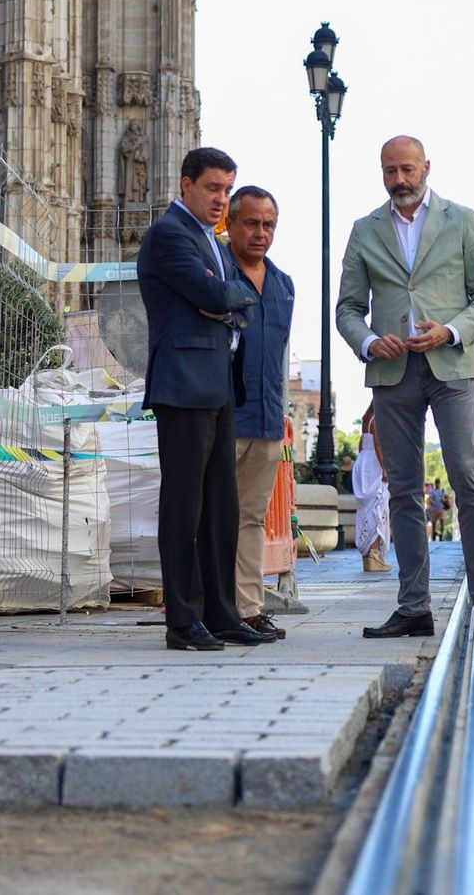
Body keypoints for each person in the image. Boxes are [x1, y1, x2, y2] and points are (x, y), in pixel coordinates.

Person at [336, 135, 474, 638]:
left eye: (407, 169)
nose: (399, 180)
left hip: (452, 366)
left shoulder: (462, 220)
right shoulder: (365, 229)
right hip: (392, 372)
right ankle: (414, 606)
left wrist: (450, 330)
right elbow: (348, 308)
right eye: (390, 171)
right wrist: (369, 341)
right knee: (403, 490)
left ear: (426, 167)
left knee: (467, 476)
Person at [136, 147, 273, 652]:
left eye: (227, 190)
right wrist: (221, 297)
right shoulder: (169, 234)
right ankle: (183, 619)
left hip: (217, 383)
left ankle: (221, 613)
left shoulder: (210, 241)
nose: (221, 199)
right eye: (213, 188)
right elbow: (218, 295)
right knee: (184, 506)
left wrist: (224, 298)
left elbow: (241, 299)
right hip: (183, 383)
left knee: (220, 508)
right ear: (186, 184)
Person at [226, 185, 295, 641]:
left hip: (268, 421)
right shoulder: (216, 273)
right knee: (211, 517)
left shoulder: (284, 285)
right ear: (230, 223)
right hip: (223, 417)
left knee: (250, 519)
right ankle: (206, 609)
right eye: (251, 223)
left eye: (268, 224)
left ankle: (248, 610)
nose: (261, 232)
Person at [353, 404, 392, 573]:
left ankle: (369, 554)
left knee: (367, 509)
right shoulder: (378, 419)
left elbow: (362, 444)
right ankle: (374, 553)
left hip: (364, 461)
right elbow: (378, 444)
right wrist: (384, 467)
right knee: (378, 506)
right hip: (374, 464)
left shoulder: (366, 419)